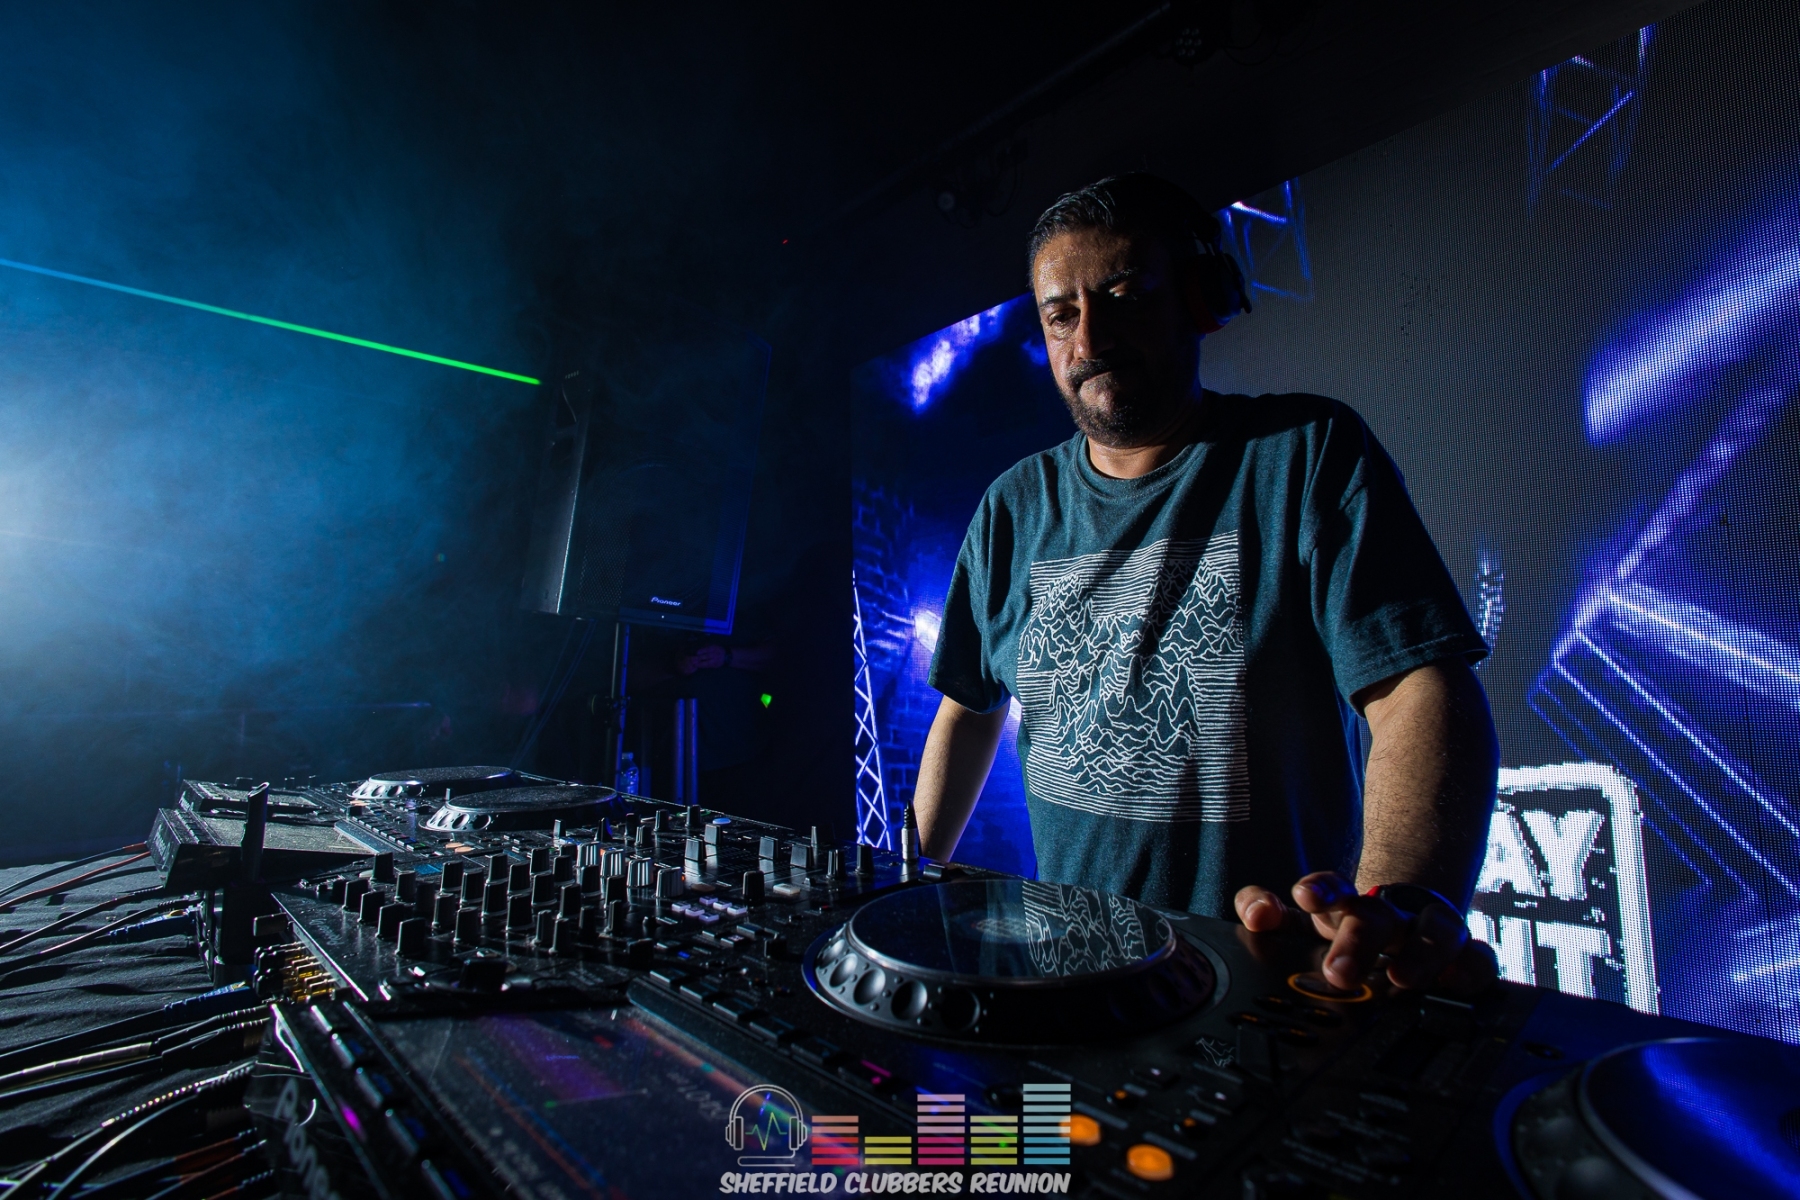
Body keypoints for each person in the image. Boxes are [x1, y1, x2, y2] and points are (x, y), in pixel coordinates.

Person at [914, 173, 1500, 994]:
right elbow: (966, 712)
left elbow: (1416, 688)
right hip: (1071, 985)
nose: (1090, 339)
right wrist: (907, 880)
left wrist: (1393, 906)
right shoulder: (1011, 508)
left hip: (1270, 984)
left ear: (1200, 300)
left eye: (1122, 297)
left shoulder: (1306, 453)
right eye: (1061, 316)